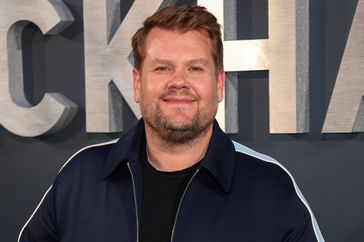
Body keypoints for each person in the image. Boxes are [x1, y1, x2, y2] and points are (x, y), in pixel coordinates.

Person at [19, 5, 324, 242]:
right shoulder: (81, 175)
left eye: (195, 68)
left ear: (219, 85)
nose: (179, 82)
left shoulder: (271, 187)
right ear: (138, 84)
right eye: (163, 67)